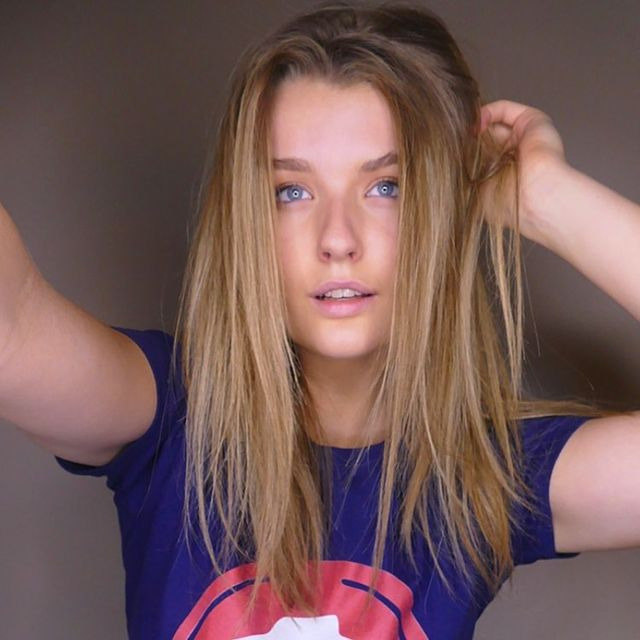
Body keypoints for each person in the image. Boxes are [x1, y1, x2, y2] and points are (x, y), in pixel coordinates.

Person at [0, 1, 638, 638]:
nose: (338, 238)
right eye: (292, 191)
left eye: (387, 186)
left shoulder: (482, 477)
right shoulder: (170, 419)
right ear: (248, 219)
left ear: (441, 207)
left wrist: (543, 197)